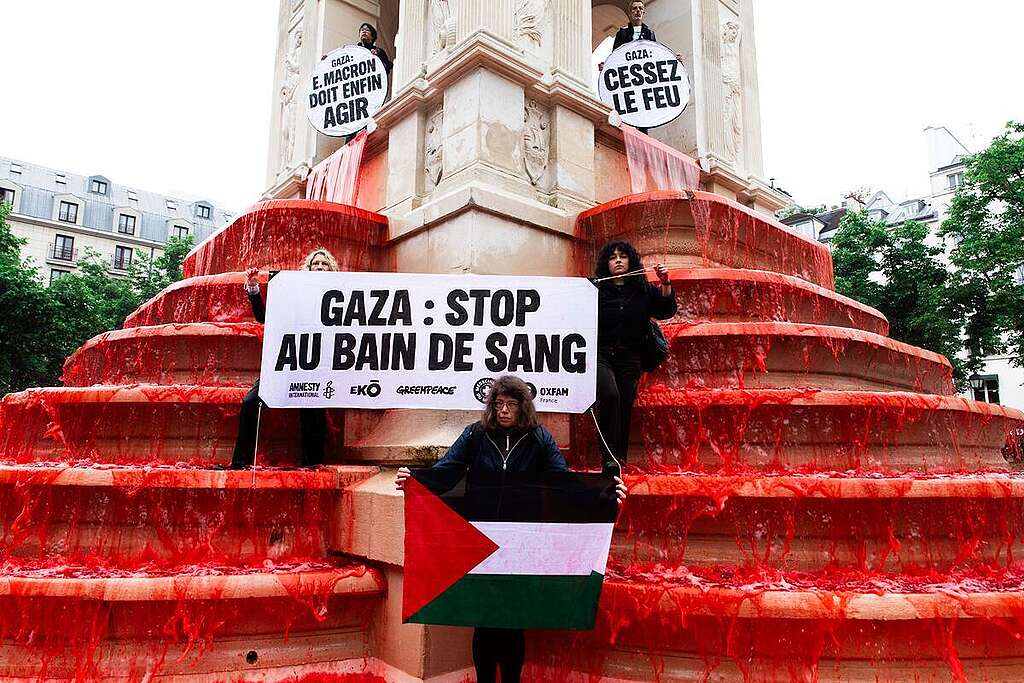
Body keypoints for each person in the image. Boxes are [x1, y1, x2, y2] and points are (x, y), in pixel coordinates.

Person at [396, 375, 627, 683]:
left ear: (523, 407)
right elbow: (447, 471)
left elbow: (562, 483)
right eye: (499, 404)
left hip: (522, 545)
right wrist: (413, 479)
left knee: (514, 620)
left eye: (511, 404)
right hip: (481, 542)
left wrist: (604, 494)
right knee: (484, 620)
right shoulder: (475, 435)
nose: (504, 410)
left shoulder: (539, 438)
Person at [229, 248, 340, 470]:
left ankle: (312, 465)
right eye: (315, 264)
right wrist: (253, 289)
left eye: (324, 264)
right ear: (308, 269)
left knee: (314, 411)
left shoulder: (341, 294)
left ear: (331, 269)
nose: (319, 267)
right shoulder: (293, 291)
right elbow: (265, 317)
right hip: (289, 359)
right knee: (251, 402)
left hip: (318, 364)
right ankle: (240, 463)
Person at [592, 240, 676, 473]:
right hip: (601, 355)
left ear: (631, 261)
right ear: (606, 264)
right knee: (610, 395)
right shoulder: (595, 289)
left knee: (624, 405)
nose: (618, 260)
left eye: (623, 256)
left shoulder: (644, 289)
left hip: (630, 358)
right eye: (612, 257)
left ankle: (618, 459)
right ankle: (608, 458)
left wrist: (665, 282)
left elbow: (666, 310)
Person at [600, 0, 686, 134]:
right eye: (634, 9)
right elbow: (615, 56)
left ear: (644, 12)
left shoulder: (649, 34)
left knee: (644, 104)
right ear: (630, 13)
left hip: (643, 77)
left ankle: (643, 134)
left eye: (640, 8)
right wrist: (606, 66)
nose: (638, 11)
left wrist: (674, 59)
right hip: (629, 77)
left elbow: (656, 57)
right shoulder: (622, 34)